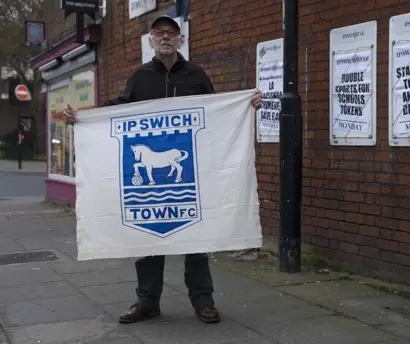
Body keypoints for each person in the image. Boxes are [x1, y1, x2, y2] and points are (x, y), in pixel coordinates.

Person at [63, 15, 262, 325]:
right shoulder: (140, 77)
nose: (166, 37)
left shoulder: (196, 75)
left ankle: (203, 301)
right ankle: (147, 301)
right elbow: (121, 108)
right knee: (147, 243)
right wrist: (85, 119)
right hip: (148, 190)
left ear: (180, 41)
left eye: (171, 33)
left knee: (198, 241)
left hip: (193, 176)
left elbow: (216, 112)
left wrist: (245, 106)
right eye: (159, 33)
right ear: (151, 41)